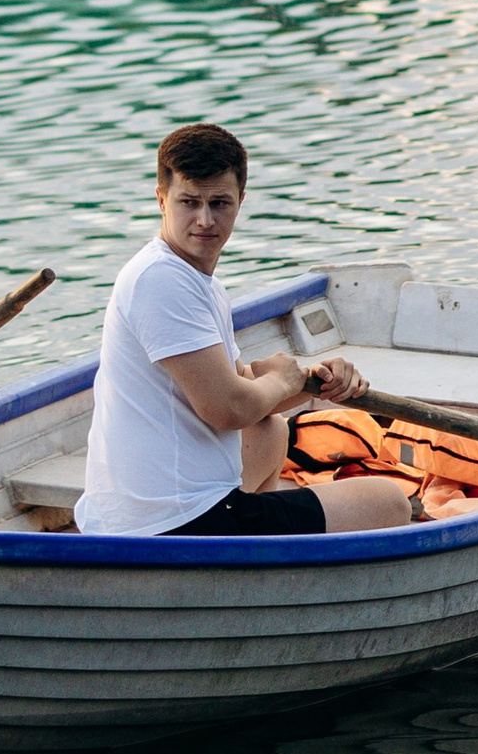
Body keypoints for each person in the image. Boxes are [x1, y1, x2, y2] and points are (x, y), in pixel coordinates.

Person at [75, 122, 416, 539]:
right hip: (166, 524)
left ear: (240, 200)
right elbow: (228, 409)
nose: (204, 220)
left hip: (155, 510)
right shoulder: (159, 280)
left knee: (269, 431)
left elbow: (246, 391)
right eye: (189, 202)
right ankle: (246, 548)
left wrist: (317, 379)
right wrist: (280, 379)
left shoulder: (197, 281)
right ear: (161, 200)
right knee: (390, 501)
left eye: (219, 203)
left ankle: (254, 549)